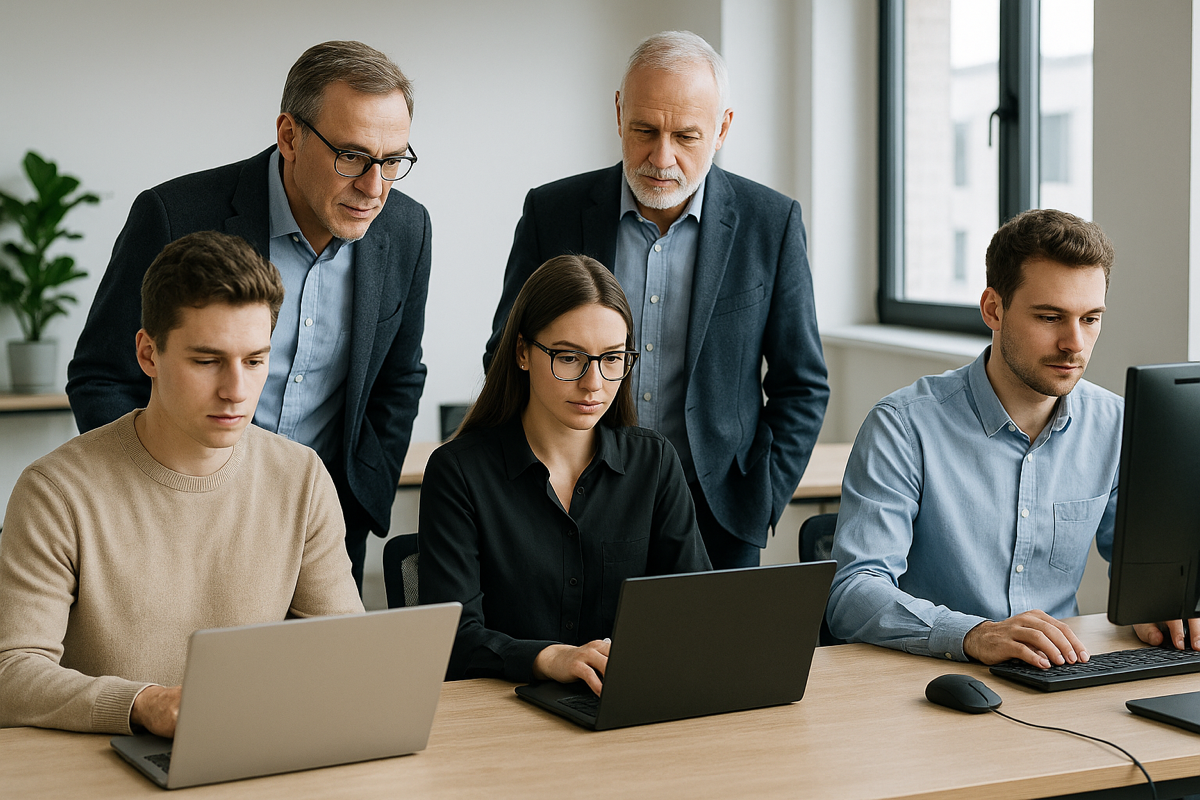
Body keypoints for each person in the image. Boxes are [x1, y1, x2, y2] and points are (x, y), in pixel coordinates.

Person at [66, 40, 430, 589]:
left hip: (324, 530)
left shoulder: (407, 229)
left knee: (323, 676)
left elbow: (400, 376)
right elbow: (102, 376)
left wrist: (358, 498)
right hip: (177, 524)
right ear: (289, 135)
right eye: (351, 156)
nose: (373, 187)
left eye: (393, 161)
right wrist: (150, 501)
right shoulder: (175, 215)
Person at [484, 31, 828, 570]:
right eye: (644, 130)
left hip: (716, 513)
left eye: (686, 136)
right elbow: (506, 354)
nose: (661, 157)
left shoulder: (771, 223)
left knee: (711, 657)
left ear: (722, 129)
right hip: (571, 503)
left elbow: (801, 385)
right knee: (581, 656)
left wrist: (759, 498)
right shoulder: (553, 210)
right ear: (619, 112)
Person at [0, 231, 363, 736]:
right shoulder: (55, 492)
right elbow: (11, 673)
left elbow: (347, 654)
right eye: (207, 361)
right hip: (103, 766)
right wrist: (141, 704)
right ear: (148, 354)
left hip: (252, 751)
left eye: (255, 361)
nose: (237, 390)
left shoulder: (300, 477)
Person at [827, 209, 1199, 667]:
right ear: (993, 309)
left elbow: (1148, 567)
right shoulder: (903, 426)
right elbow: (852, 592)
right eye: (1050, 317)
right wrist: (973, 634)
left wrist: (1162, 608)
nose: (1074, 344)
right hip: (928, 680)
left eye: (1091, 319)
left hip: (1060, 673)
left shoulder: (1116, 425)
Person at [421, 255, 710, 694]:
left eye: (612, 359)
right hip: (500, 719)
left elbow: (697, 611)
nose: (594, 383)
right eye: (569, 358)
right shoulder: (458, 473)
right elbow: (452, 639)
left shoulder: (654, 464)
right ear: (522, 352)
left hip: (625, 707)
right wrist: (549, 657)